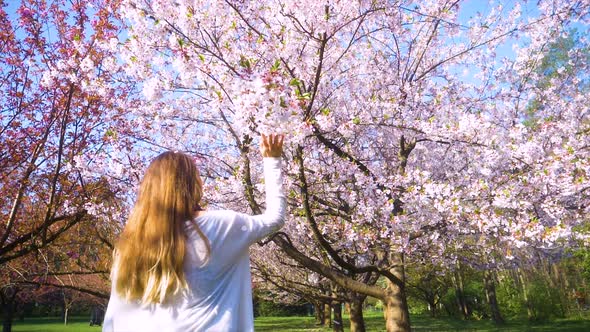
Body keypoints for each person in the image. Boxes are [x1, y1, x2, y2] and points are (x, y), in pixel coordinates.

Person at [102, 134, 286, 332]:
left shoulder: (133, 242)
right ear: (191, 184)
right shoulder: (222, 225)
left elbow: (117, 310)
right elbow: (274, 218)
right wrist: (272, 159)